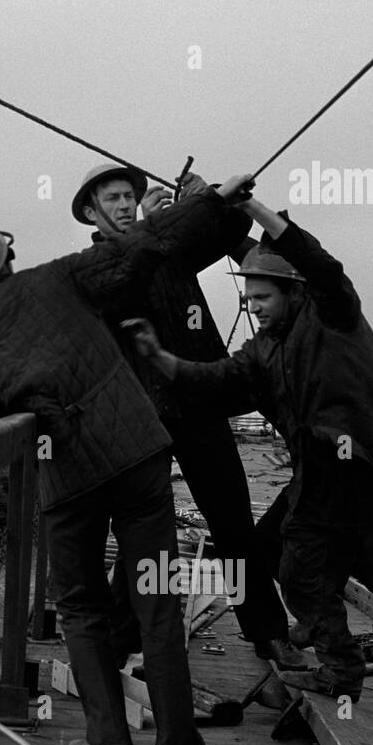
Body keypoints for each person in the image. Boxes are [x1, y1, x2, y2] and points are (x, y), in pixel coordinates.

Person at [126, 186, 373, 745]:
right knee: (301, 576)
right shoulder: (262, 352)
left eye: (263, 296)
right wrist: (161, 358)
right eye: (249, 299)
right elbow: (216, 382)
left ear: (293, 291)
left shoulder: (333, 314)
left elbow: (316, 260)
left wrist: (248, 212)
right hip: (317, 484)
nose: (254, 306)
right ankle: (340, 671)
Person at [0, 175, 257, 745]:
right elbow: (145, 245)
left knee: (83, 609)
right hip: (135, 455)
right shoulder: (56, 278)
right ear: (5, 263)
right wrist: (214, 202)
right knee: (160, 604)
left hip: (66, 482)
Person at [71, 162, 304, 668]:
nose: (124, 204)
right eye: (111, 199)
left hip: (197, 404)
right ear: (90, 212)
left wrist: (213, 198)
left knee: (234, 525)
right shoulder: (98, 264)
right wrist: (179, 216)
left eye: (128, 196)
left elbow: (227, 230)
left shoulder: (170, 246)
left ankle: (268, 634)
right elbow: (136, 255)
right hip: (141, 418)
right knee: (143, 536)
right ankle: (120, 640)